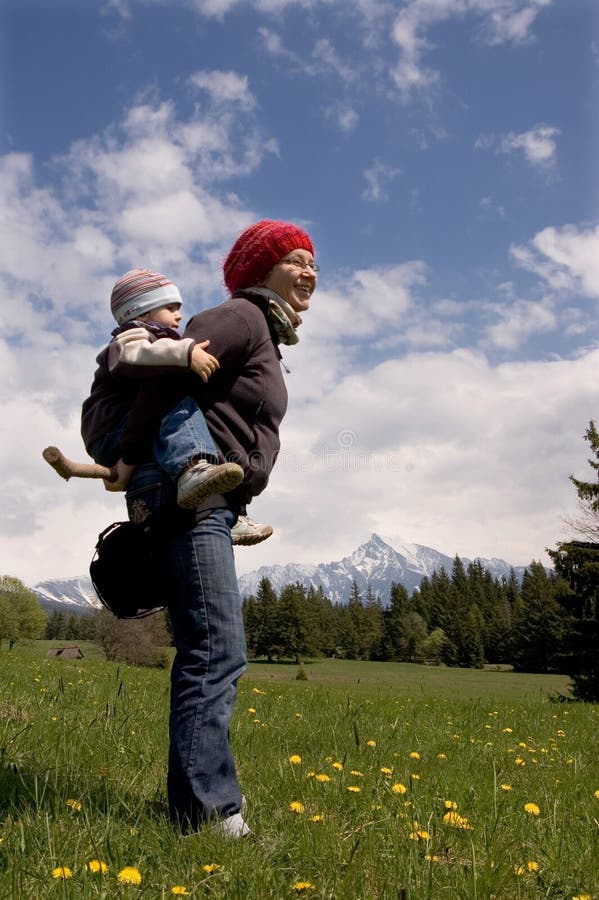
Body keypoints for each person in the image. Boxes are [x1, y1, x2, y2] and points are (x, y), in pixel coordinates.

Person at [122, 219, 318, 837]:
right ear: (259, 270)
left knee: (208, 648)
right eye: (294, 259)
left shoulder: (264, 329)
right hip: (191, 498)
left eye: (313, 260)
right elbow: (166, 374)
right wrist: (129, 452)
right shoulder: (239, 318)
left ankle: (195, 810)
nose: (310, 270)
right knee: (216, 649)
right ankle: (210, 814)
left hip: (210, 503)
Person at [81, 268, 272, 543]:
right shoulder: (131, 336)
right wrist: (186, 351)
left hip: (121, 428)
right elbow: (134, 356)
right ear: (143, 312)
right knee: (177, 400)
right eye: (171, 307)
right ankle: (192, 469)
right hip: (110, 429)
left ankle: (230, 514)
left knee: (183, 404)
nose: (179, 315)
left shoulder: (154, 337)